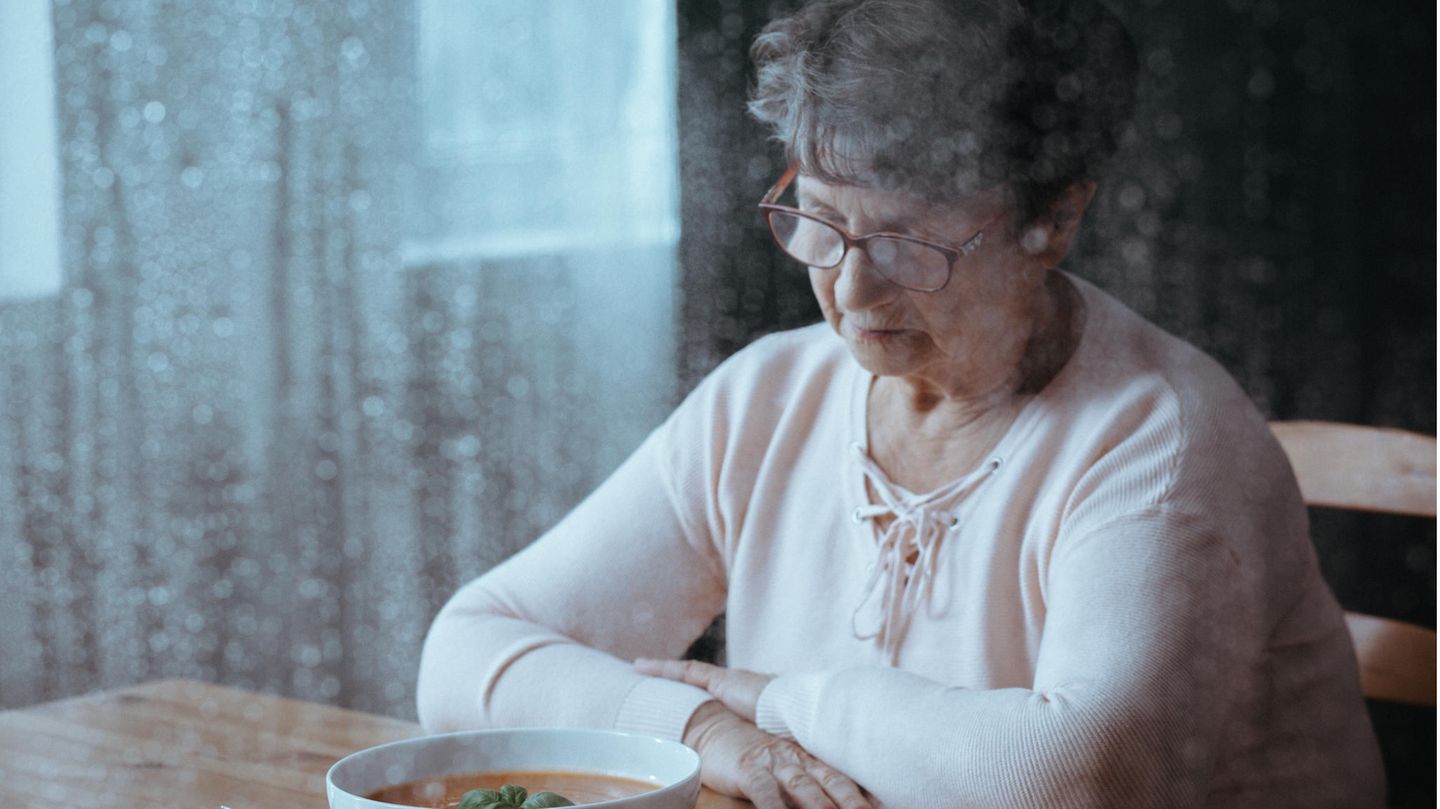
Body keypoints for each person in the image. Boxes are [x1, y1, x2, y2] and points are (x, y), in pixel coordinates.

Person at [417, 1, 1384, 806]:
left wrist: (779, 700)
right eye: (822, 222)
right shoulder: (771, 397)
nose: (850, 294)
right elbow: (468, 651)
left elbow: (1075, 774)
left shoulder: (1160, 442)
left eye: (911, 244)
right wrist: (702, 725)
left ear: (1056, 217)